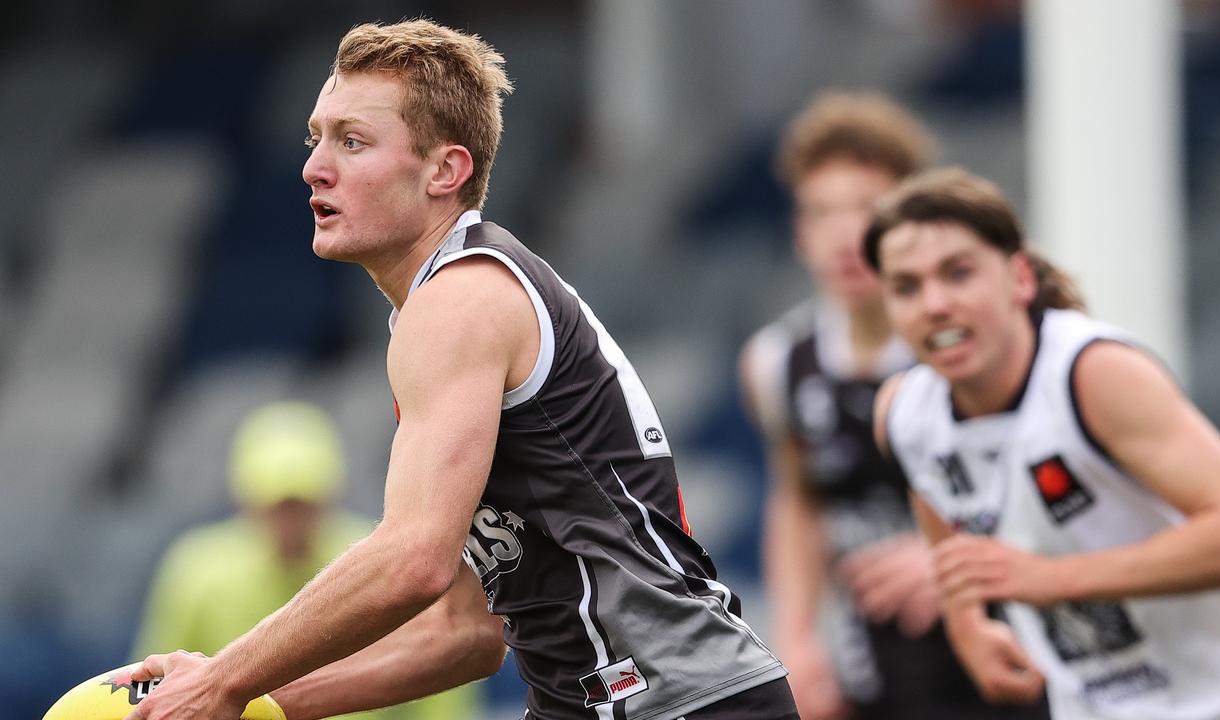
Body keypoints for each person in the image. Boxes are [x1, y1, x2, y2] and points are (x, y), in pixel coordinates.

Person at [126, 18, 795, 720]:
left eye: (352, 141)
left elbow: (413, 560)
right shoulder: (452, 306)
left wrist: (222, 677)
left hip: (669, 703)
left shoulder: (458, 302)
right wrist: (255, 703)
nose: (314, 167)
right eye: (314, 138)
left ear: (445, 171)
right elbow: (464, 637)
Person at [866, 166, 1220, 719]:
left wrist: (1048, 579)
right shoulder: (903, 415)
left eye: (958, 273)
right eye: (906, 287)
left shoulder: (1092, 374)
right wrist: (969, 625)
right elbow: (942, 511)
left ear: (1019, 278)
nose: (934, 303)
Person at [740, 92, 1047, 719]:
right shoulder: (776, 363)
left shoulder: (973, 347)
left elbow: (1054, 487)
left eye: (865, 208)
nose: (845, 234)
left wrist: (954, 559)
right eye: (822, 212)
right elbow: (798, 500)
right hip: (876, 671)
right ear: (800, 233)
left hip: (1010, 660)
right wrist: (796, 641)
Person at [132, 401, 480, 720]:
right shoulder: (196, 570)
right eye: (278, 505)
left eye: (304, 503)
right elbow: (157, 685)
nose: (292, 520)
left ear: (329, 497)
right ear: (246, 501)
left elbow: (448, 685)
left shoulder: (389, 563)